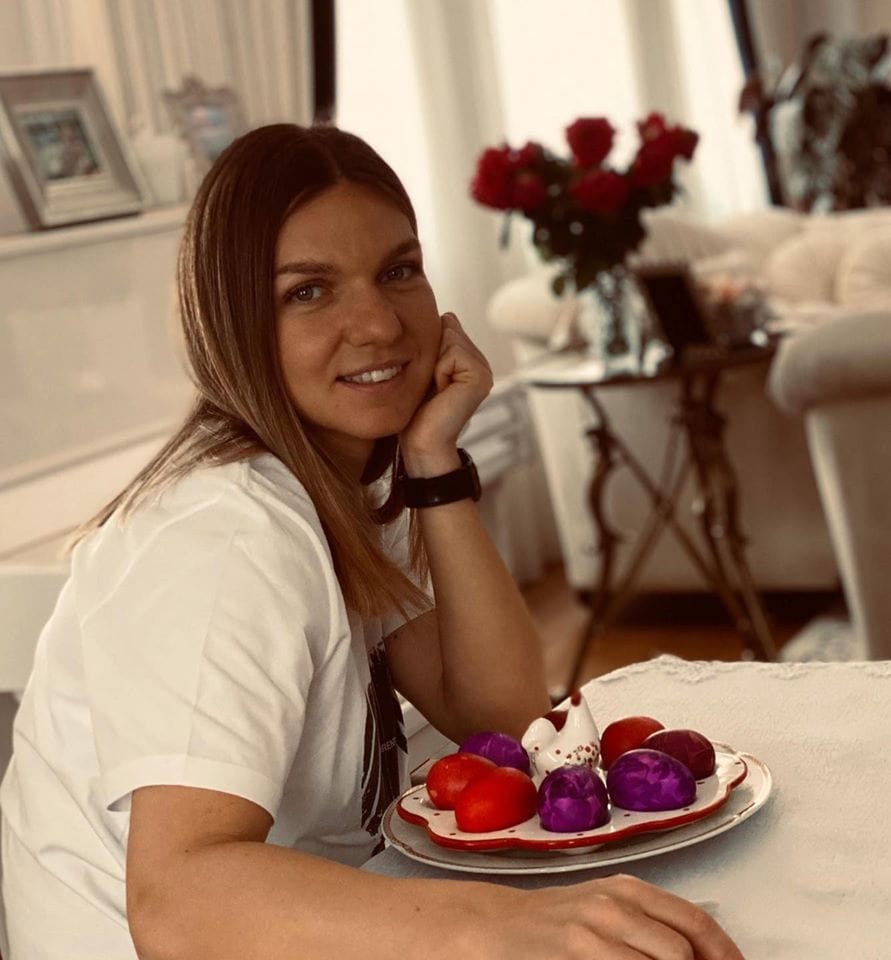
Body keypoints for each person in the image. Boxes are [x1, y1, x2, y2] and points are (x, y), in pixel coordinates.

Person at [0, 124, 744, 960]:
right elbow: (178, 901)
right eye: (308, 292)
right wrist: (497, 924)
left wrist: (433, 464)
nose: (380, 324)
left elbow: (497, 714)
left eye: (397, 271)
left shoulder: (340, 480)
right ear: (232, 320)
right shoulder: (223, 535)